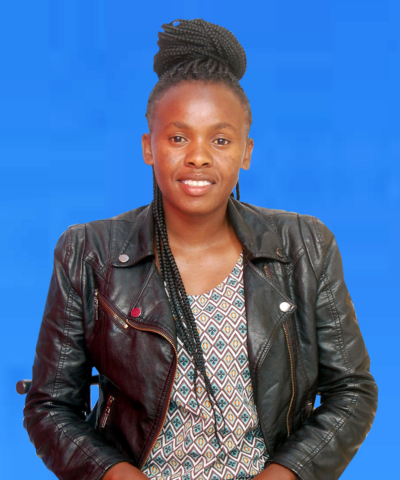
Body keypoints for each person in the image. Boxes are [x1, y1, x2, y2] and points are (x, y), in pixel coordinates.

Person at [23, 19, 378, 480]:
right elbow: (50, 406)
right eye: (178, 137)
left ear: (246, 152)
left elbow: (352, 392)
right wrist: (116, 475)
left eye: (221, 139)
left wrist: (285, 474)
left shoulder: (305, 246)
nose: (198, 156)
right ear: (149, 147)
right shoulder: (88, 253)